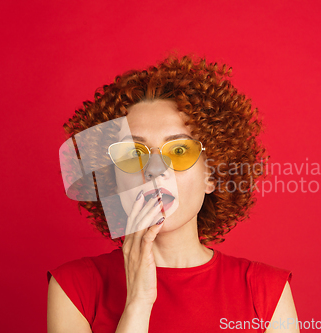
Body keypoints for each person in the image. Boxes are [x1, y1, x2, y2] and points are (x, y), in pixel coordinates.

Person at [47, 55, 299, 333]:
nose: (155, 170)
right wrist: (138, 305)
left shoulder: (267, 292)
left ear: (211, 175)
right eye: (133, 153)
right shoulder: (75, 287)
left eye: (179, 151)